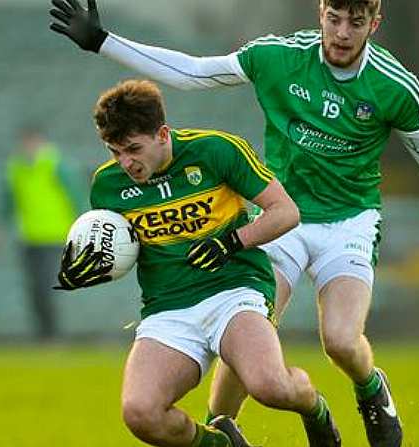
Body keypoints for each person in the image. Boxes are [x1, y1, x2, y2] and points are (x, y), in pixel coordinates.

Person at [48, 1, 419, 445]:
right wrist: (103, 42)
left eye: (355, 21)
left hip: (349, 221)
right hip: (284, 219)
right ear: (321, 13)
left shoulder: (393, 87)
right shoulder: (278, 57)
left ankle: (370, 389)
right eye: (334, 17)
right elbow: (197, 72)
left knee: (340, 340)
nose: (342, 32)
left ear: (374, 23)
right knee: (247, 331)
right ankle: (218, 427)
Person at [55, 78, 342, 447]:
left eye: (132, 149)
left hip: (234, 291)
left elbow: (285, 212)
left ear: (162, 134)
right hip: (168, 309)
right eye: (114, 152)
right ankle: (222, 444)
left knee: (271, 388)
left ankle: (314, 409)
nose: (125, 162)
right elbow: (120, 248)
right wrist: (93, 264)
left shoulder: (216, 150)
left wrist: (231, 242)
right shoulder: (106, 186)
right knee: (141, 413)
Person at [0, 125, 84, 340]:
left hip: (54, 235)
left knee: (46, 287)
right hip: (28, 237)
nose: (29, 147)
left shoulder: (57, 165)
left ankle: (52, 334)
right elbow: (8, 200)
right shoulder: (16, 167)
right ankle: (43, 334)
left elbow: (77, 197)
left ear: (42, 142)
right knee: (34, 289)